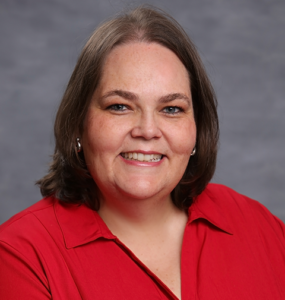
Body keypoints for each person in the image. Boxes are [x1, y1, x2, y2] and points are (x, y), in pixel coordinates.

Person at [0, 5, 284, 300]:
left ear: (197, 129)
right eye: (119, 106)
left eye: (172, 109)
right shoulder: (20, 255)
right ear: (78, 125)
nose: (148, 130)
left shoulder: (258, 226)